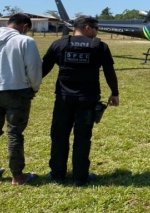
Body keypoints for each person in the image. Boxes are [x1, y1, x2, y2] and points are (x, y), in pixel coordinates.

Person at [42, 15, 120, 186]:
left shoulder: (59, 44)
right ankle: (80, 177)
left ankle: (57, 175)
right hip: (87, 100)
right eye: (96, 28)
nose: (96, 32)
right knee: (82, 137)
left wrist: (32, 86)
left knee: (59, 135)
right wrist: (114, 93)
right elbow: (109, 71)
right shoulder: (99, 46)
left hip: (63, 99)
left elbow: (44, 68)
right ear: (87, 27)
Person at [0, 13, 42, 185]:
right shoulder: (25, 41)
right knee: (14, 133)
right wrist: (34, 87)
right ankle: (17, 175)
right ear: (24, 26)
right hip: (18, 91)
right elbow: (34, 68)